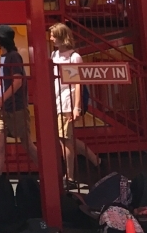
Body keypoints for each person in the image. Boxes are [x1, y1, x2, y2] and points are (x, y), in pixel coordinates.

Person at [49, 23, 100, 188]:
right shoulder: (54, 54)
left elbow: (78, 83)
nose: (51, 38)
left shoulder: (74, 57)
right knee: (66, 137)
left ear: (62, 37)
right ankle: (95, 160)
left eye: (54, 35)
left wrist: (77, 106)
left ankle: (69, 176)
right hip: (57, 100)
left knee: (65, 138)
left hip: (67, 101)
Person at [0, 24, 38, 175]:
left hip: (16, 108)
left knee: (27, 144)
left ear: (2, 39)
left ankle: (49, 171)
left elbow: (17, 81)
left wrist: (0, 100)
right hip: (5, 109)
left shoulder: (13, 56)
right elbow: (11, 81)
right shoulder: (4, 56)